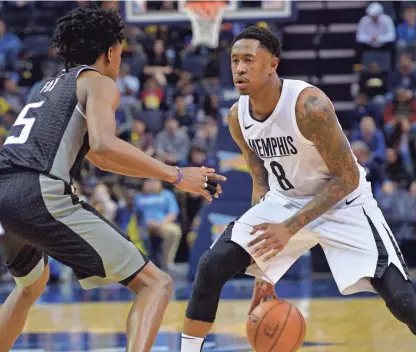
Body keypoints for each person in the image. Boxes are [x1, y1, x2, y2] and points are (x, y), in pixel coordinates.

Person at [0, 5, 225, 352]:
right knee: (156, 284)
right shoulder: (98, 82)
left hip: (5, 193)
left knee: (31, 285)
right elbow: (106, 144)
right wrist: (176, 175)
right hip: (38, 192)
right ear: (110, 51)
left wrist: (170, 176)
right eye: (121, 51)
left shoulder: (46, 87)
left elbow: (100, 156)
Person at [180, 26, 415, 352]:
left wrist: (289, 229)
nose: (239, 68)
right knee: (211, 265)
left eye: (249, 59)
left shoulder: (309, 106)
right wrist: (264, 271)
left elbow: (346, 179)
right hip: (284, 201)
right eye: (235, 60)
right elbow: (260, 179)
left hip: (344, 203)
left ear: (273, 64)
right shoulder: (237, 117)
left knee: (401, 298)